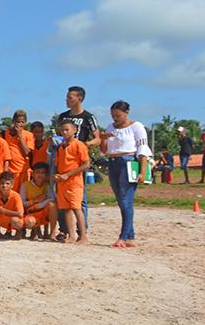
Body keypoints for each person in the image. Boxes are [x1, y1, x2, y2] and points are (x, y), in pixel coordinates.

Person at [102, 100, 151, 248]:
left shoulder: (137, 127)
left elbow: (143, 149)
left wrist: (142, 172)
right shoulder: (110, 127)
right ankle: (130, 236)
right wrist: (103, 139)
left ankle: (123, 236)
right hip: (113, 162)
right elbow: (104, 150)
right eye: (113, 115)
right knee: (121, 201)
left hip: (128, 162)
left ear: (126, 112)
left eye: (118, 115)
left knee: (125, 199)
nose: (115, 118)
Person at [56, 85, 101, 230]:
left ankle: (82, 229)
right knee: (63, 198)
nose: (67, 100)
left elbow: (98, 139)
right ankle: (65, 230)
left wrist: (83, 144)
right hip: (64, 156)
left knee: (80, 198)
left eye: (70, 97)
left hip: (79, 157)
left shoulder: (88, 117)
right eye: (66, 97)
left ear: (79, 99)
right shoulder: (63, 116)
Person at [54, 120, 90, 245]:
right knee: (66, 209)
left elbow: (86, 164)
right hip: (62, 182)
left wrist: (68, 174)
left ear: (74, 130)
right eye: (62, 130)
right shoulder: (61, 146)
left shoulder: (79, 145)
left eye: (67, 130)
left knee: (76, 208)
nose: (64, 132)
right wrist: (58, 175)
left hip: (74, 181)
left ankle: (83, 236)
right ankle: (71, 236)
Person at [21, 162, 56, 240]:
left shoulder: (47, 186)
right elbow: (22, 203)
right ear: (33, 174)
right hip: (31, 213)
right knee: (29, 222)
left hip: (43, 212)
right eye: (37, 172)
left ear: (46, 175)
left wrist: (38, 205)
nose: (40, 175)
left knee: (52, 205)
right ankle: (35, 231)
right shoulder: (25, 185)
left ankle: (52, 234)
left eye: (43, 173)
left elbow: (52, 199)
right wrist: (35, 200)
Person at [2, 110, 34, 189]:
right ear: (13, 122)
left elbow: (27, 152)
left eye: (22, 122)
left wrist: (20, 135)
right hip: (10, 171)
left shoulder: (29, 135)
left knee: (23, 197)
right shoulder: (5, 134)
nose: (20, 124)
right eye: (18, 122)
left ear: (26, 122)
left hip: (23, 171)